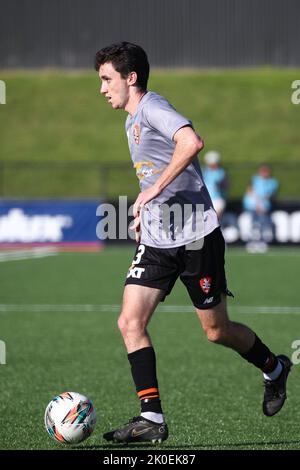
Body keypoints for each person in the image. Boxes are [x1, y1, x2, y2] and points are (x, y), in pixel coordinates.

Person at [94, 42, 292, 444]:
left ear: (130, 78)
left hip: (197, 238)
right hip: (157, 240)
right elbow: (155, 173)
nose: (101, 88)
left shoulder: (152, 107)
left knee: (217, 331)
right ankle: (152, 418)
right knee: (130, 322)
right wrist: (143, 209)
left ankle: (274, 367)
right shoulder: (130, 120)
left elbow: (191, 142)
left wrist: (152, 194)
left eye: (106, 79)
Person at [243, 165, 279, 252]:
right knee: (254, 224)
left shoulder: (273, 182)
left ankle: (262, 241)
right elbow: (249, 191)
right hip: (252, 205)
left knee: (263, 224)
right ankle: (252, 242)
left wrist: (260, 205)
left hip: (264, 207)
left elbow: (267, 195)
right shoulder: (255, 179)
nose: (264, 173)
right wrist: (255, 203)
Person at [202, 150, 228, 219]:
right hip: (205, 199)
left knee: (215, 218)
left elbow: (225, 185)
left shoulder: (221, 173)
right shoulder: (205, 171)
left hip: (217, 200)